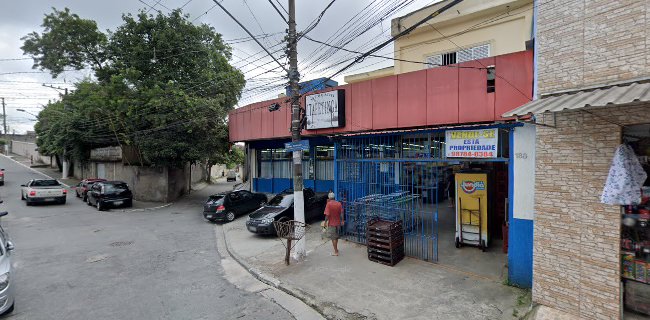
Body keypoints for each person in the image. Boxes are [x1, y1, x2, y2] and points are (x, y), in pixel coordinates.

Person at [324, 192, 344, 256]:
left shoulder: (328, 204)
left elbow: (327, 215)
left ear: (329, 198)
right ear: (334, 197)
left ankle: (336, 252)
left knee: (333, 238)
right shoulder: (339, 204)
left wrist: (325, 222)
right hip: (338, 223)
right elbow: (341, 213)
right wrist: (342, 220)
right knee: (336, 237)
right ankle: (336, 249)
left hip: (332, 224)